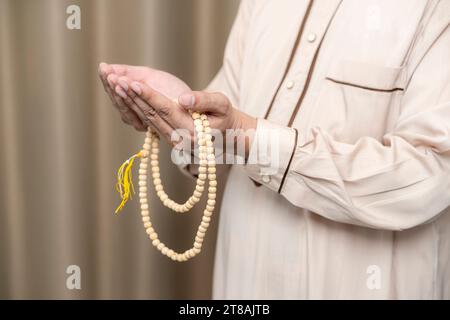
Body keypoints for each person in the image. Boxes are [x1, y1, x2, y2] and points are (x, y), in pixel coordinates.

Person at [99, 0, 450, 299]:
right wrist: (182, 115)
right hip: (243, 285)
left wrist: (250, 137)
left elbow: (429, 174)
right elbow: (227, 121)